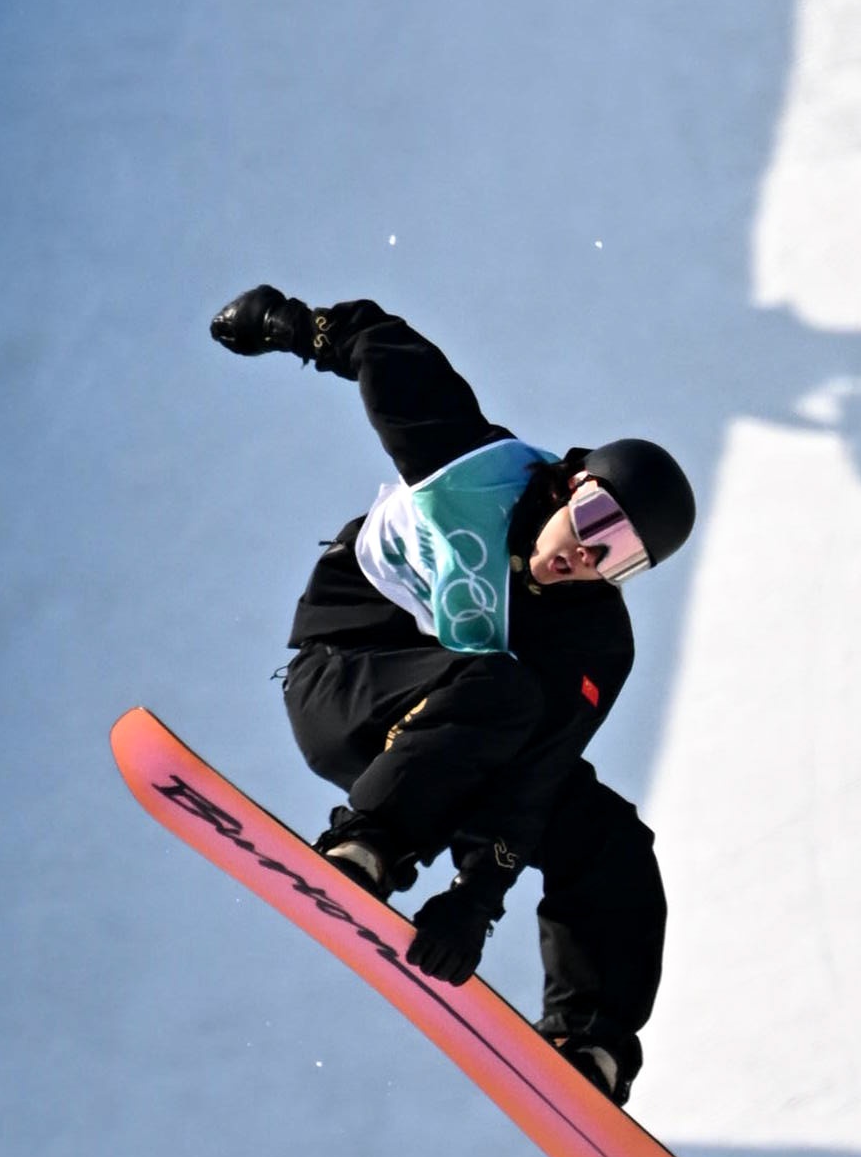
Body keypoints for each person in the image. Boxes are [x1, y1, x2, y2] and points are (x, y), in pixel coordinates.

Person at [211, 285, 696, 1107]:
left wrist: (477, 898)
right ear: (570, 483)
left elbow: (534, 782)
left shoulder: (594, 645)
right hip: (345, 681)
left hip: (456, 751)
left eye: (620, 558)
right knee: (503, 687)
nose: (588, 555)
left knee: (610, 841)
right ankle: (369, 846)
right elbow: (377, 341)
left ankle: (591, 1046)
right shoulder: (472, 467)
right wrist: (286, 322)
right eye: (594, 520)